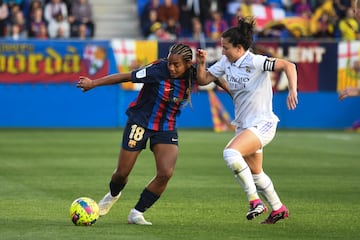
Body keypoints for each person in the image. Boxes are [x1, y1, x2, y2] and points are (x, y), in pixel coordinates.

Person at [77, 43, 228, 225]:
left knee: (166, 173)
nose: (171, 68)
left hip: (166, 127)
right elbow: (126, 76)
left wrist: (233, 92)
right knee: (121, 173)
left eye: (176, 65)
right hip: (140, 122)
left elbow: (213, 77)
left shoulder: (194, 73)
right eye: (170, 63)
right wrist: (93, 83)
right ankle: (113, 194)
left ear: (188, 64)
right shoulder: (156, 70)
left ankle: (136, 212)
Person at [195, 17, 298, 224]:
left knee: (230, 153)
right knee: (256, 173)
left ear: (239, 48)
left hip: (263, 124)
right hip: (244, 125)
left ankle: (254, 201)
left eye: (225, 47)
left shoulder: (256, 61)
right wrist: (201, 63)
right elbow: (203, 80)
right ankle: (278, 208)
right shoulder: (226, 62)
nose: (222, 51)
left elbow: (289, 65)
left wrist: (293, 90)